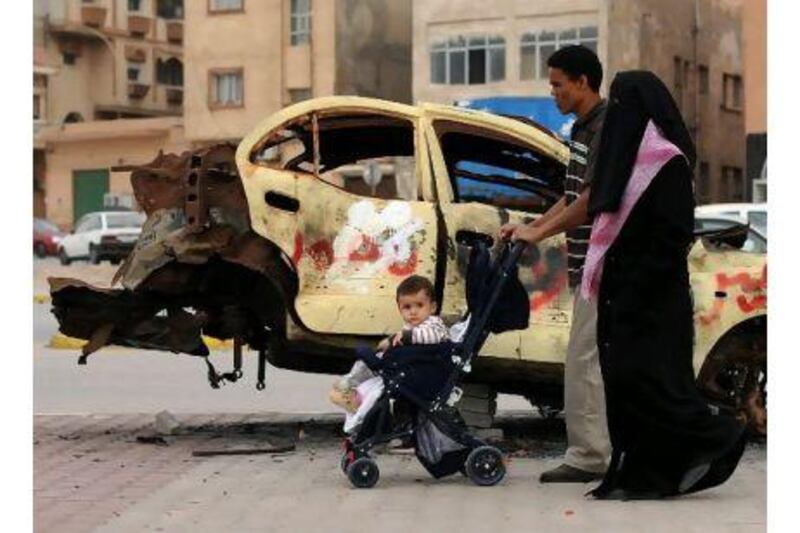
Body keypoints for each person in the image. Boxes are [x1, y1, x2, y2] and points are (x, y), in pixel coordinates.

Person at [499, 44, 610, 483]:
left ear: (583, 82)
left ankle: (589, 456)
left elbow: (590, 201)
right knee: (591, 360)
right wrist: (529, 226)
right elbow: (570, 196)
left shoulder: (605, 128)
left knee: (583, 360)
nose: (553, 93)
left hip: (602, 264)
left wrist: (538, 233)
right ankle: (600, 450)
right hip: (586, 264)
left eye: (558, 84)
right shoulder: (581, 128)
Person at [329, 275, 449, 429]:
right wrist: (390, 341)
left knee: (376, 379)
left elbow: (430, 336)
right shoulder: (411, 328)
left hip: (422, 374)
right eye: (407, 307)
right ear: (399, 308)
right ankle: (353, 389)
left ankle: (355, 397)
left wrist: (404, 337)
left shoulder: (434, 324)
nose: (413, 312)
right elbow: (403, 338)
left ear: (432, 307)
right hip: (409, 372)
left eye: (419, 305)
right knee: (371, 368)